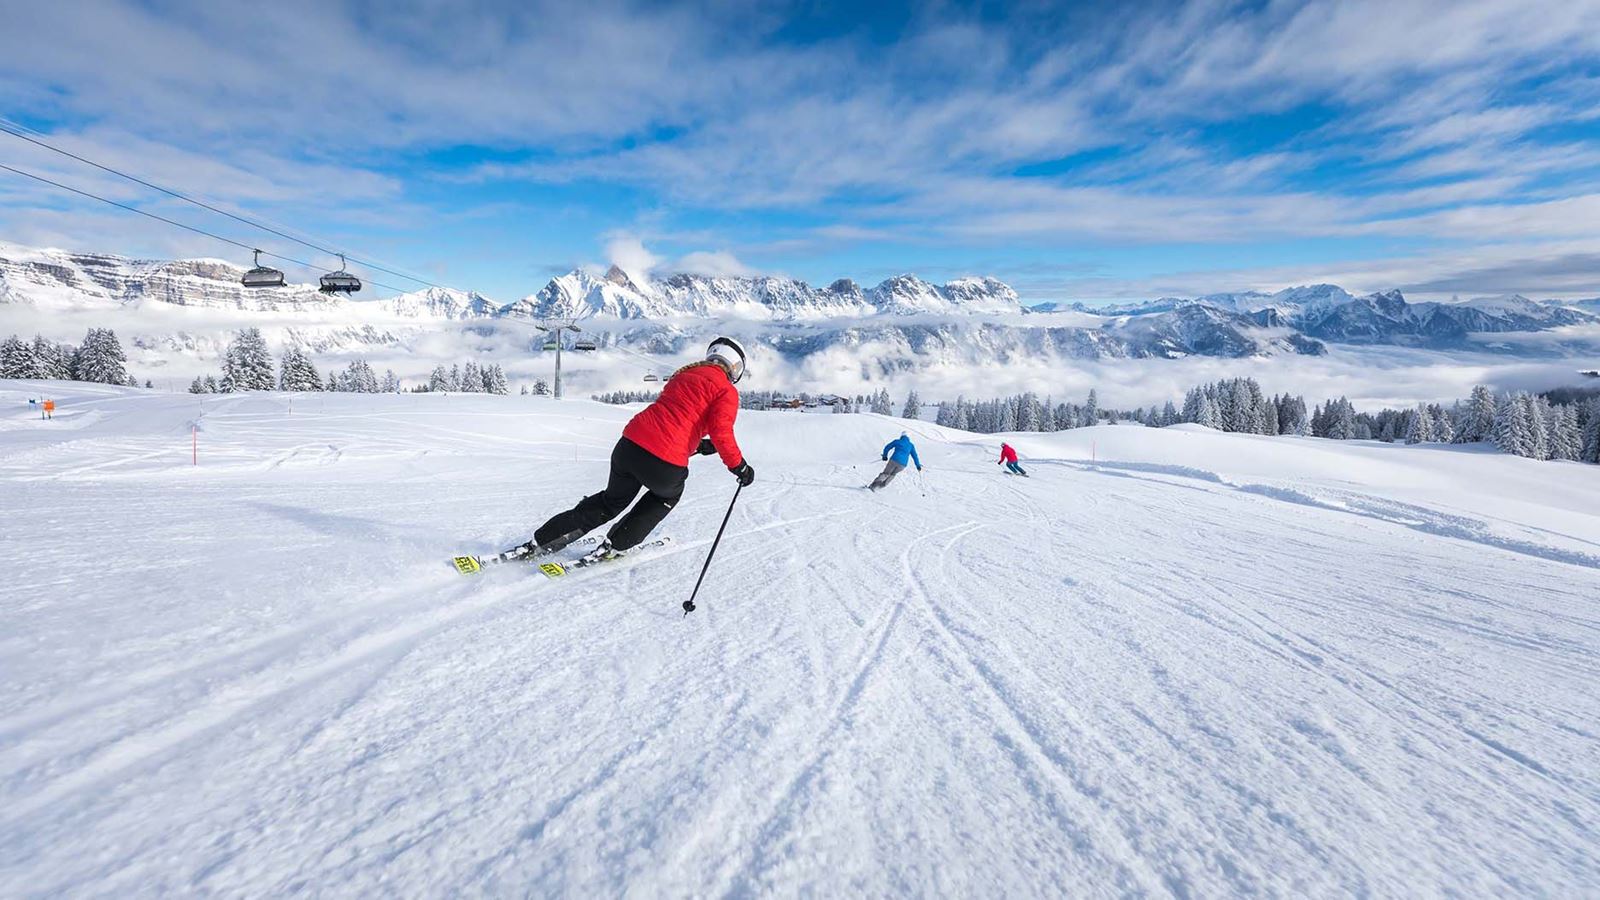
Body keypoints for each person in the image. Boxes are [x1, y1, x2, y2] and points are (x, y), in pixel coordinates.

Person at [526, 337, 755, 560]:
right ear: (736, 367)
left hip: (630, 446)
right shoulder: (727, 391)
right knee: (666, 496)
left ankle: (544, 540)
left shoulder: (683, 374)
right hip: (665, 464)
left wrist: (698, 444)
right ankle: (617, 544)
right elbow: (721, 432)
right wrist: (740, 467)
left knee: (610, 501)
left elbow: (674, 419)